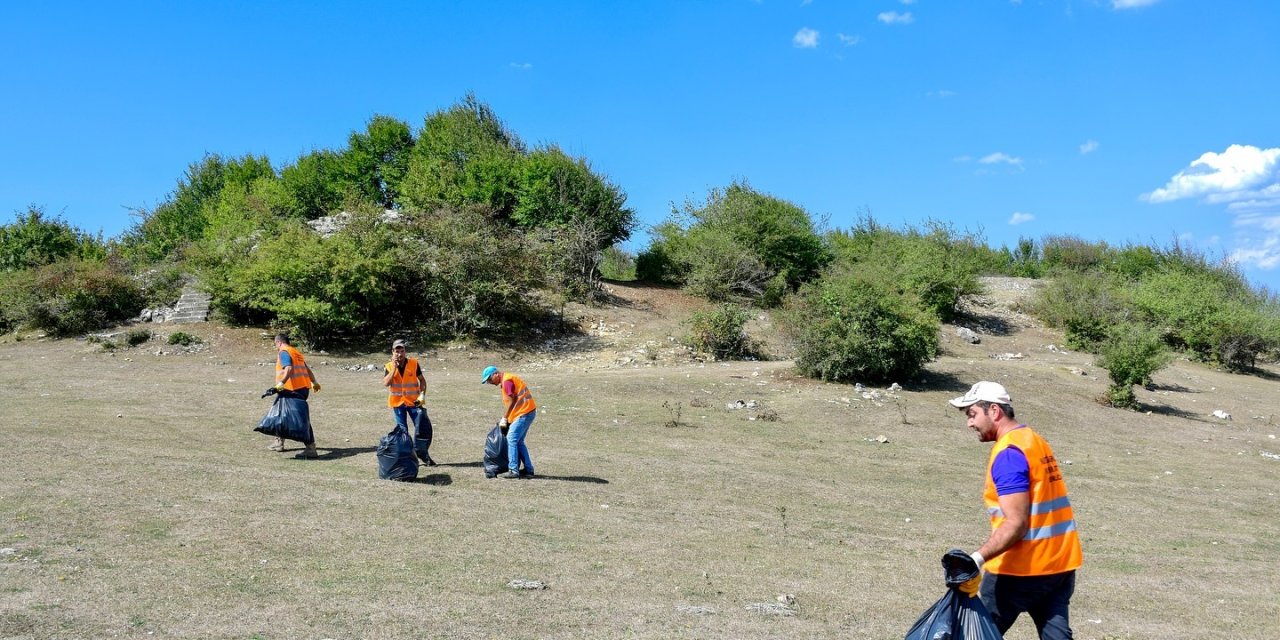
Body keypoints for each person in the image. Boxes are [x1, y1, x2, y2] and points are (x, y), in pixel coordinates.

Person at [948, 381, 1083, 640]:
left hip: (1020, 570)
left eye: (972, 414)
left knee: (975, 635)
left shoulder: (1009, 454)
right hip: (1060, 565)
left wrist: (977, 559)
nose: (970, 423)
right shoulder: (1033, 440)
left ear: (995, 411)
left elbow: (1016, 523)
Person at [382, 338, 436, 466]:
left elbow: (422, 381)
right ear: (392, 352)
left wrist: (422, 395)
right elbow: (386, 383)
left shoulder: (414, 363)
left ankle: (424, 456)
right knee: (403, 433)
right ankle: (407, 459)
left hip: (414, 403)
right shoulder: (389, 366)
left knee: (422, 430)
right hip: (398, 404)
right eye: (397, 351)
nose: (400, 354)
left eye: (402, 351)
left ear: (405, 351)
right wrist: (394, 368)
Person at [270, 332, 321, 459]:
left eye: (276, 344)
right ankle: (278, 442)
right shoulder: (295, 352)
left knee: (299, 418)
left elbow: (288, 369)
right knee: (281, 413)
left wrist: (281, 383)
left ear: (279, 342)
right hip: (303, 388)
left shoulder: (283, 351)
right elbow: (307, 369)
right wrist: (314, 382)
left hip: (292, 389)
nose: (276, 347)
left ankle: (310, 447)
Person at [481, 365, 536, 479]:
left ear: (495, 374)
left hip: (524, 413)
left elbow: (512, 399)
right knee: (519, 441)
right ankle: (529, 469)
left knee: (511, 438)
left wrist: (505, 418)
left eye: (489, 379)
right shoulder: (507, 379)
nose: (490, 383)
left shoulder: (506, 381)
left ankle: (513, 470)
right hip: (527, 411)